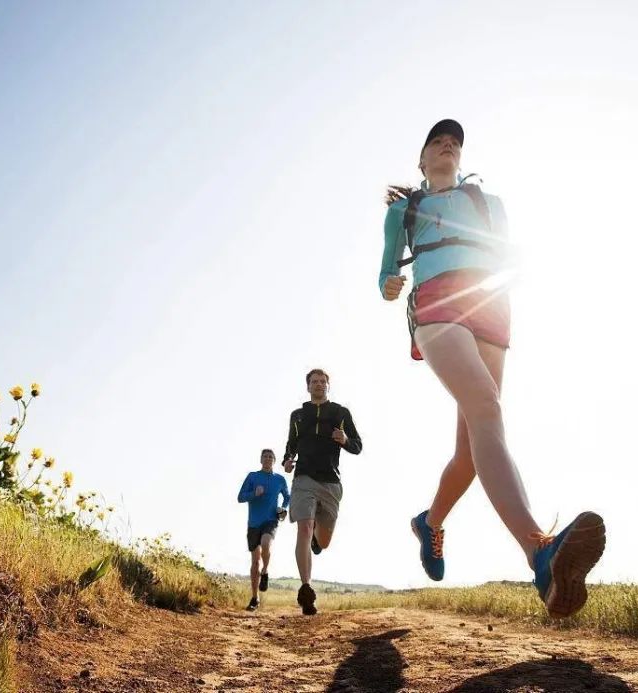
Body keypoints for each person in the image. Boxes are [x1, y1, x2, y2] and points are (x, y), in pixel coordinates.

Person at [379, 119, 606, 619]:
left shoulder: (489, 203)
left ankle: (429, 523)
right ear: (421, 160)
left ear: (461, 158)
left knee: (470, 451)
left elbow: (507, 256)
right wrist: (391, 286)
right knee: (486, 408)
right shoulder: (404, 209)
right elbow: (385, 274)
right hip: (437, 305)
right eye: (437, 140)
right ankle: (540, 553)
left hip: (490, 307)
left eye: (455, 141)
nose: (447, 144)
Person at [283, 368, 362, 616]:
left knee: (323, 542)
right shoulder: (297, 415)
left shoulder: (340, 413)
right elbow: (290, 445)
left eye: (322, 382)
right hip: (304, 478)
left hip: (330, 482)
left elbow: (358, 446)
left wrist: (345, 440)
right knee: (304, 527)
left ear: (328, 386)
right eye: (314, 382)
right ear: (308, 387)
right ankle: (306, 589)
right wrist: (287, 460)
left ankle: (317, 540)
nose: (318, 385)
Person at [237, 448, 290, 611]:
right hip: (253, 523)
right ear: (261, 460)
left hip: (271, 520)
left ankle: (265, 572)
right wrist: (254, 493)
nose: (267, 459)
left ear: (274, 461)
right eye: (265, 456)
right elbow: (240, 497)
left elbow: (287, 497)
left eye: (270, 457)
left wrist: (282, 508)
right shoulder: (252, 476)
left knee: (266, 543)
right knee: (254, 561)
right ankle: (254, 598)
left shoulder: (280, 479)